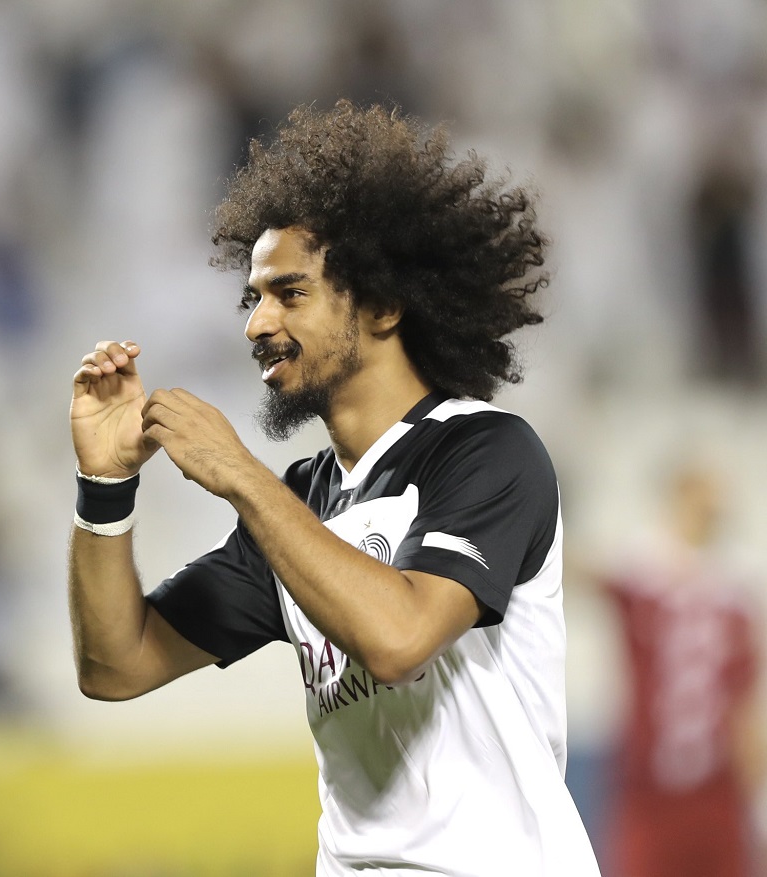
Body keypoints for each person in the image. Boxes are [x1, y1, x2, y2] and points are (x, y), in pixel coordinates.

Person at [67, 101, 600, 876]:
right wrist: (103, 489)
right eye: (254, 297)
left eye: (289, 293)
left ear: (383, 303)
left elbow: (398, 639)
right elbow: (117, 664)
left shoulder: (484, 451)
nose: (256, 323)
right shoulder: (298, 503)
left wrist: (241, 475)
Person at [597, 461, 765, 877]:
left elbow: (745, 698)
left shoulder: (737, 588)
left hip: (718, 789)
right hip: (648, 788)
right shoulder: (641, 571)